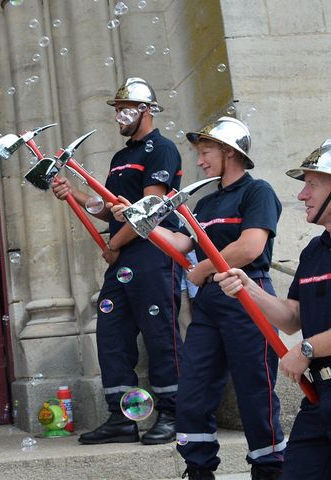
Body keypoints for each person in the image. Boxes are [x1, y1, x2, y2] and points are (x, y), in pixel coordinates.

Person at [113, 117, 284, 479]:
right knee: (193, 390)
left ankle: (270, 471)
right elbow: (180, 244)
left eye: (206, 152)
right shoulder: (205, 204)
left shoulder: (258, 192)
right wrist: (137, 219)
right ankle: (199, 469)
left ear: (229, 152)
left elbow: (250, 246)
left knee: (256, 394)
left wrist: (203, 268)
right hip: (209, 305)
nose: (201, 161)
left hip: (247, 296)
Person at [52, 77, 183, 445]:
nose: (118, 118)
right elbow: (108, 210)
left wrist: (115, 247)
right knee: (111, 335)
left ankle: (174, 412)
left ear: (145, 111)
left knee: (160, 335)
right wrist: (73, 195)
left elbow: (150, 210)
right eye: (116, 110)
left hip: (154, 253)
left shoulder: (162, 149)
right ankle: (121, 418)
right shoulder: (121, 157)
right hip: (124, 259)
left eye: (124, 110)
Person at [216, 138, 331, 479]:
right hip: (319, 397)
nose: (301, 195)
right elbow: (293, 318)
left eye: (312, 185)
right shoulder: (313, 251)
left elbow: (301, 340)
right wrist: (249, 290)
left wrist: (307, 350)